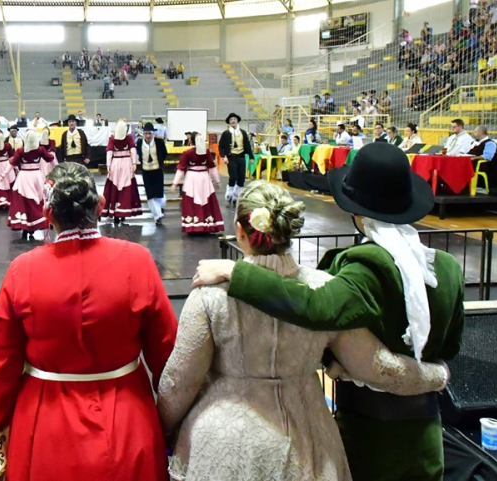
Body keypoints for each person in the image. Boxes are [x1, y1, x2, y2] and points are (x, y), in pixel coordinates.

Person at [192, 143, 465, 481]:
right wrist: (434, 375)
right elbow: (450, 347)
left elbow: (316, 307)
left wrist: (239, 272)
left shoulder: (363, 266)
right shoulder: (447, 268)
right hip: (427, 432)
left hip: (369, 434)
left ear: (357, 213)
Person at [0, 162, 177, 481]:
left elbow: (1, 364)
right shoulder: (137, 261)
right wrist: (172, 423)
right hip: (128, 420)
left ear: (48, 214)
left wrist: (0, 422)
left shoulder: (23, 270)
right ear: (100, 205)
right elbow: (167, 354)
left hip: (43, 426)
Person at [0, 130, 54, 240]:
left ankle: (26, 226)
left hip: (24, 177)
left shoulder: (21, 151)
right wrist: (59, 170)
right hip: (37, 176)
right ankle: (37, 222)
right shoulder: (40, 150)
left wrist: (3, 174)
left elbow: (12, 163)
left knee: (25, 201)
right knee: (38, 200)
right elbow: (51, 159)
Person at [171, 133, 223, 234]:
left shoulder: (188, 153)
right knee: (205, 200)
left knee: (193, 200)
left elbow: (180, 169)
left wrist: (174, 183)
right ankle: (206, 225)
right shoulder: (206, 152)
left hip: (192, 179)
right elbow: (212, 167)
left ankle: (193, 226)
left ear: (191, 141)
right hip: (204, 178)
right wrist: (218, 181)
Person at [103, 120, 142, 225]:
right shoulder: (129, 138)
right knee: (126, 188)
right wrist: (134, 163)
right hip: (126, 163)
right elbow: (133, 151)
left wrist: (108, 165)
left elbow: (109, 153)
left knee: (115, 188)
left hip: (115, 164)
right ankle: (124, 211)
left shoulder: (112, 139)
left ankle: (115, 211)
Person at [218, 112, 255, 207]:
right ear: (229, 122)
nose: (233, 121)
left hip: (241, 157)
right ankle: (229, 193)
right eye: (231, 120)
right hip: (231, 157)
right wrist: (223, 156)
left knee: (241, 178)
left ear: (237, 121)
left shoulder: (243, 132)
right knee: (233, 176)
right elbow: (221, 146)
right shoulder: (226, 133)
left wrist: (251, 157)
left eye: (234, 119)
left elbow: (247, 145)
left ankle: (236, 195)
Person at [136, 122, 168, 225]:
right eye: (146, 133)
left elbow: (164, 153)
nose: (148, 136)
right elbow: (139, 154)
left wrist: (160, 163)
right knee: (150, 195)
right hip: (146, 172)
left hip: (157, 170)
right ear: (143, 134)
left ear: (153, 133)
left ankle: (160, 207)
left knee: (159, 194)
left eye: (150, 133)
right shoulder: (139, 143)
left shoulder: (159, 142)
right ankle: (157, 216)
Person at [468, 125, 497, 190]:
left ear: (481, 132)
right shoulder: (474, 143)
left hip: (482, 166)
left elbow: (488, 156)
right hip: (471, 163)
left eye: (475, 132)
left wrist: (474, 158)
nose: (473, 133)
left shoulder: (490, 143)